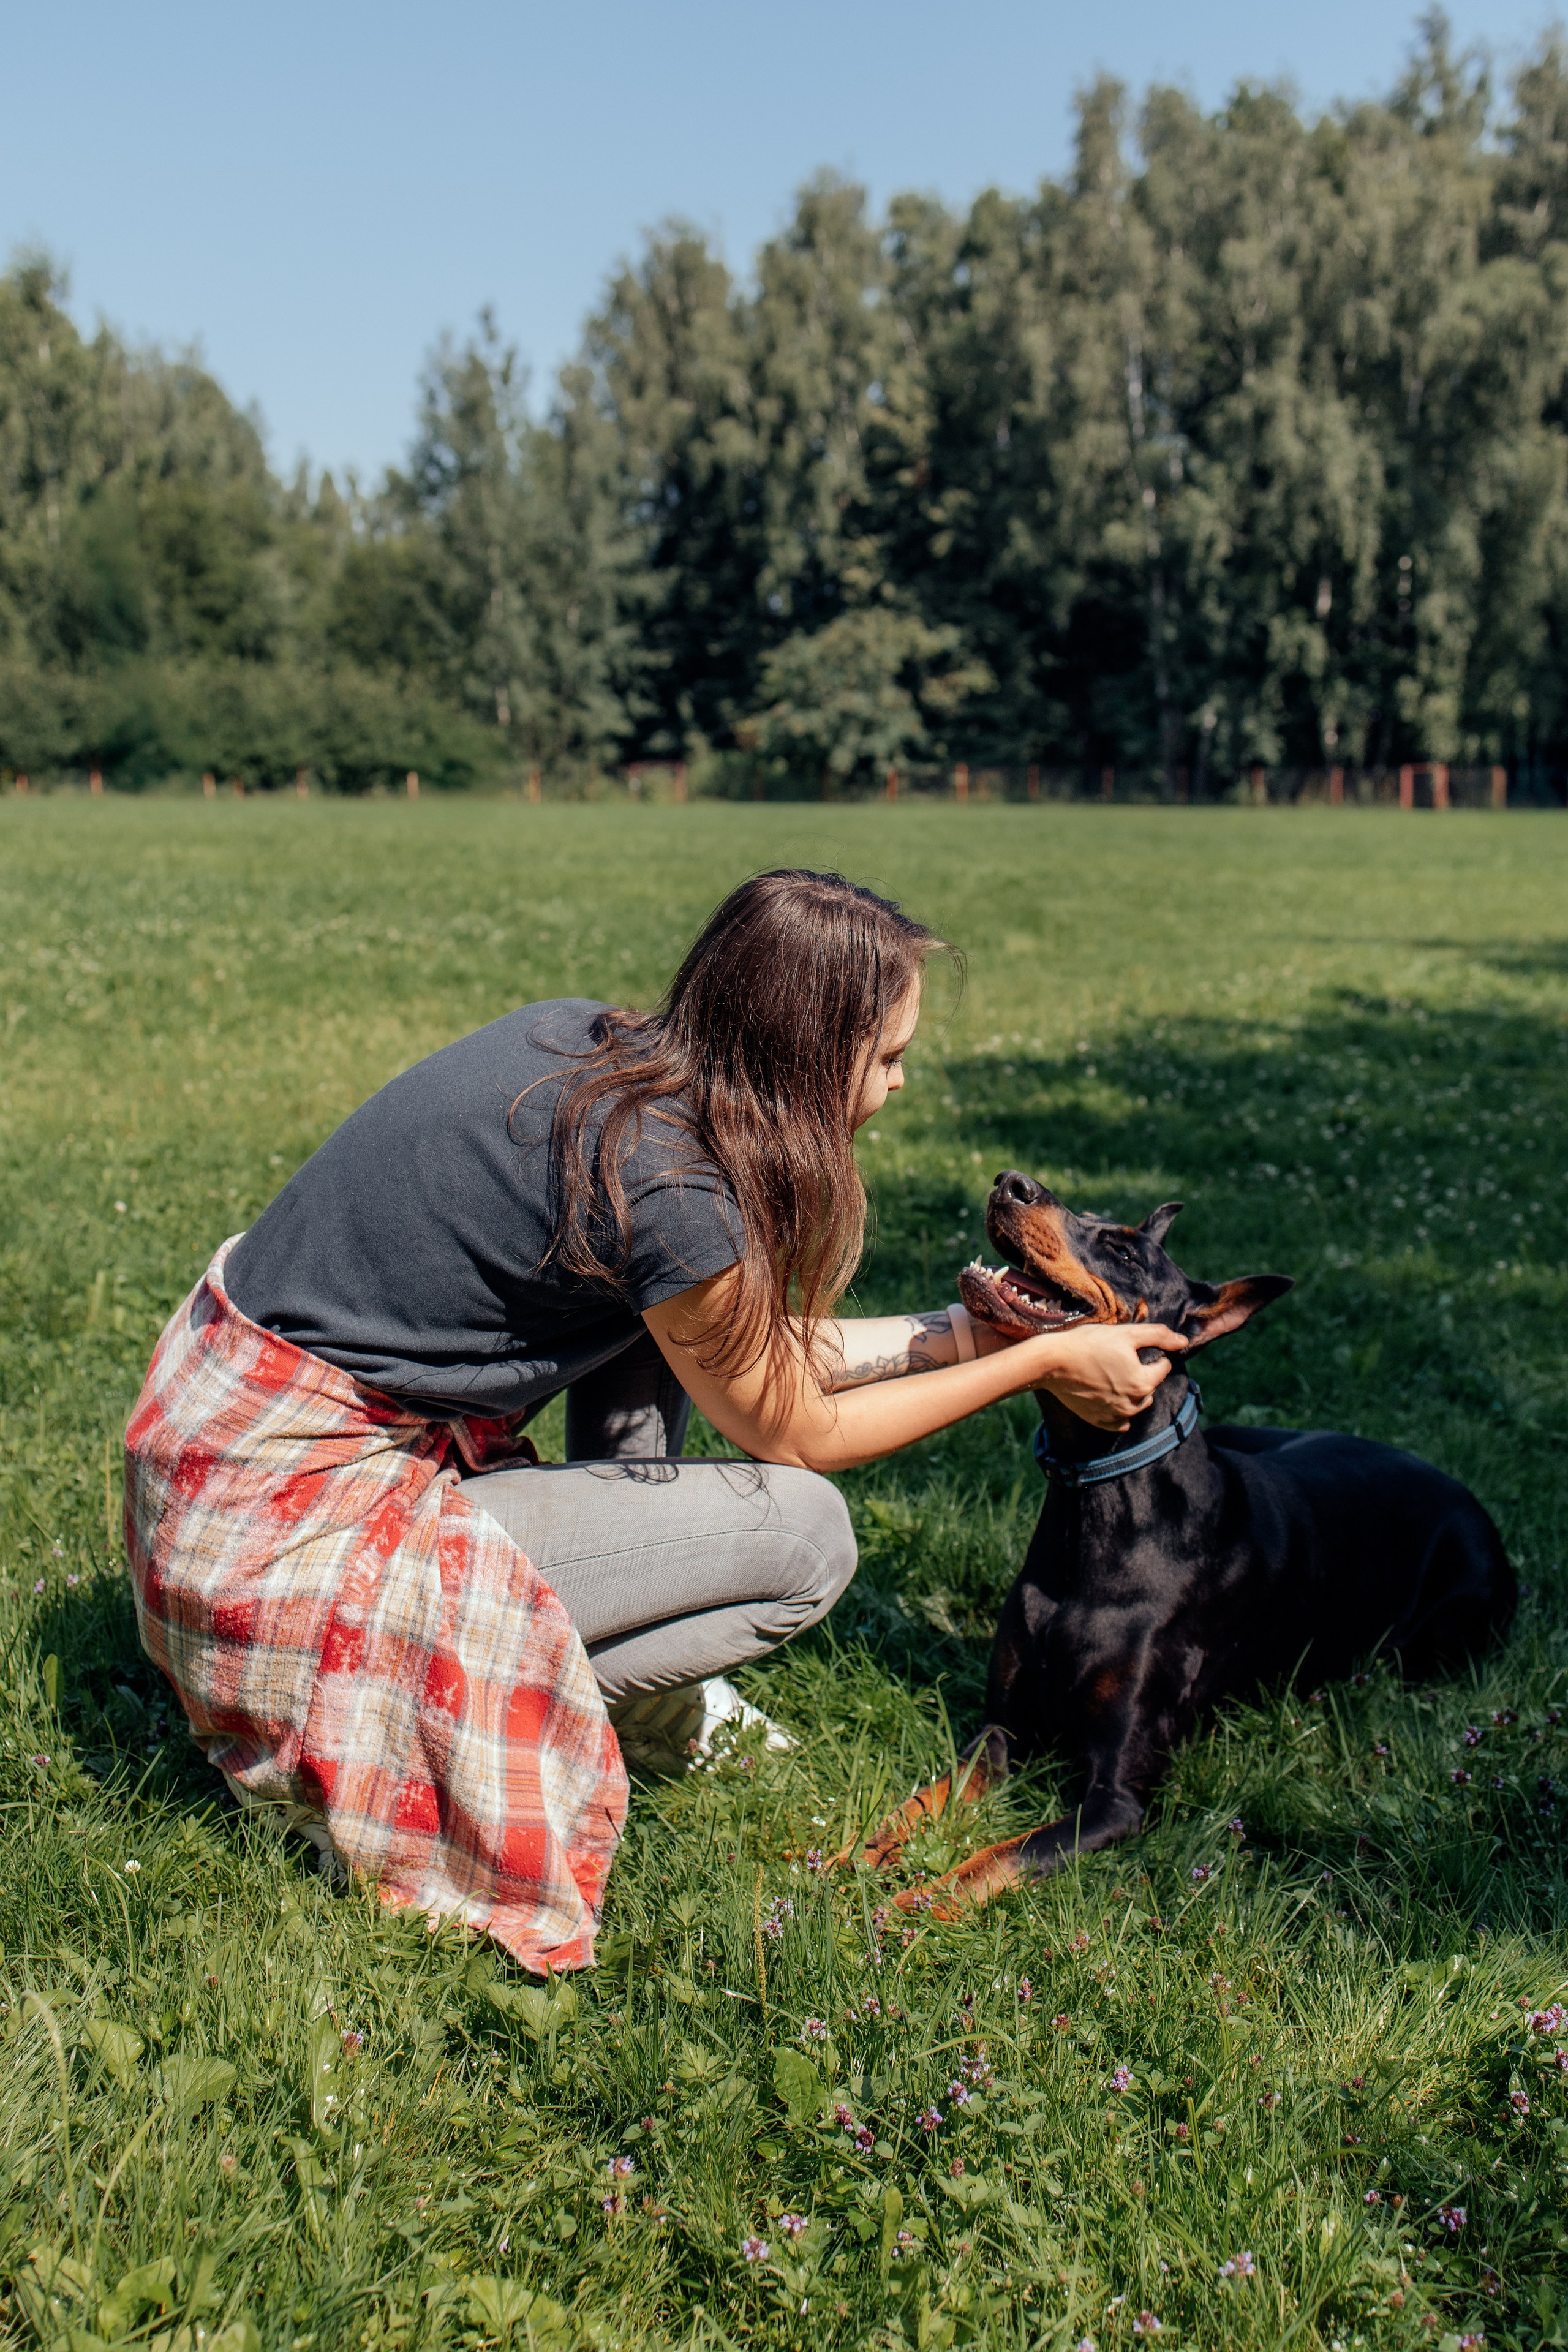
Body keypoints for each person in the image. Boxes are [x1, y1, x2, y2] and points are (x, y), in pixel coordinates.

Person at [124, 869, 1185, 1971]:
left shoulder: (590, 1056)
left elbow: (745, 1343)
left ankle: (644, 1705)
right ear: (811, 1052)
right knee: (804, 1536)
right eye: (888, 1058)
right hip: (281, 1544)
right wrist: (1044, 1362)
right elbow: (798, 1428)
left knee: (647, 1332)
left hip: (210, 1470)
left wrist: (969, 1335)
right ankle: (459, 1719)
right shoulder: (674, 1186)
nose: (899, 1084)